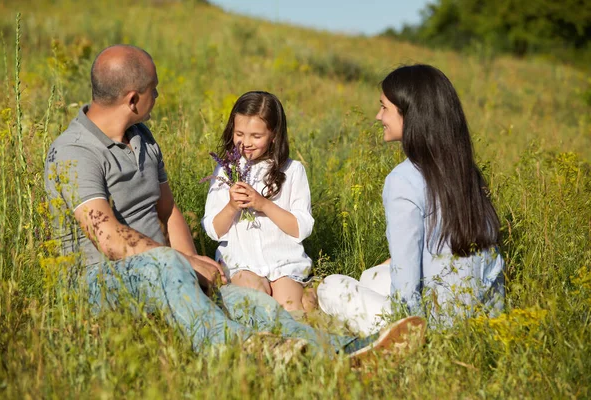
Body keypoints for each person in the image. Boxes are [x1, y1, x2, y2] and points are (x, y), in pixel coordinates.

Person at [44, 44, 426, 361]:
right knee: (162, 263)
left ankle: (343, 353)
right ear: (133, 98)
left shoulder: (142, 137)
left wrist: (199, 271)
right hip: (101, 282)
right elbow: (108, 239)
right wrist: (185, 262)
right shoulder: (76, 152)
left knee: (253, 304)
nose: (157, 96)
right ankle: (239, 349)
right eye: (154, 89)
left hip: (167, 272)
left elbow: (168, 211)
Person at [317, 64, 505, 335]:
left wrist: (411, 328)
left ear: (409, 115)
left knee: (331, 286)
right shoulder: (465, 169)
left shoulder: (404, 178)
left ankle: (401, 341)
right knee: (371, 276)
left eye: (384, 108)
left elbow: (405, 284)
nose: (378, 116)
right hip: (483, 318)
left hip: (435, 325)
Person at [202, 91, 313, 314]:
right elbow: (213, 230)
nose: (246, 143)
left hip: (284, 262)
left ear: (274, 135)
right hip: (241, 262)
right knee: (258, 304)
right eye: (239, 134)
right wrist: (232, 206)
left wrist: (263, 204)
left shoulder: (293, 171)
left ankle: (308, 303)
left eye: (256, 136)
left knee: (290, 311)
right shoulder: (226, 171)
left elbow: (302, 228)